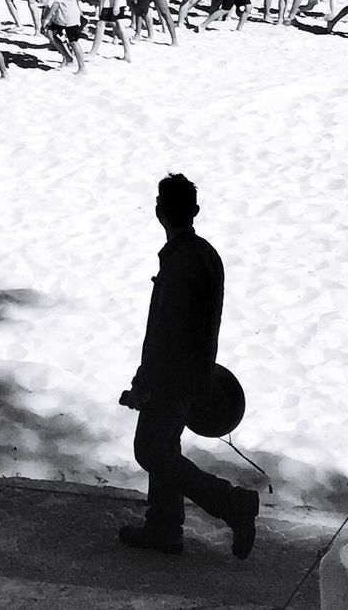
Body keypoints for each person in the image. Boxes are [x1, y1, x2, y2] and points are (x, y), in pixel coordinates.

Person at [118, 174, 260, 560]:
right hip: (194, 373)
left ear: (159, 211)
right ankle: (164, 526)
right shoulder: (204, 254)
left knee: (150, 450)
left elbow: (167, 330)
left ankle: (233, 503)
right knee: (164, 445)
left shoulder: (181, 262)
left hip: (171, 376)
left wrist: (145, 381)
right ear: (194, 211)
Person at [44, 0, 87, 75]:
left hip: (69, 16)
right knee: (51, 33)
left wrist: (47, 17)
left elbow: (57, 2)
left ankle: (82, 67)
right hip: (63, 16)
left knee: (73, 41)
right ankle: (68, 58)